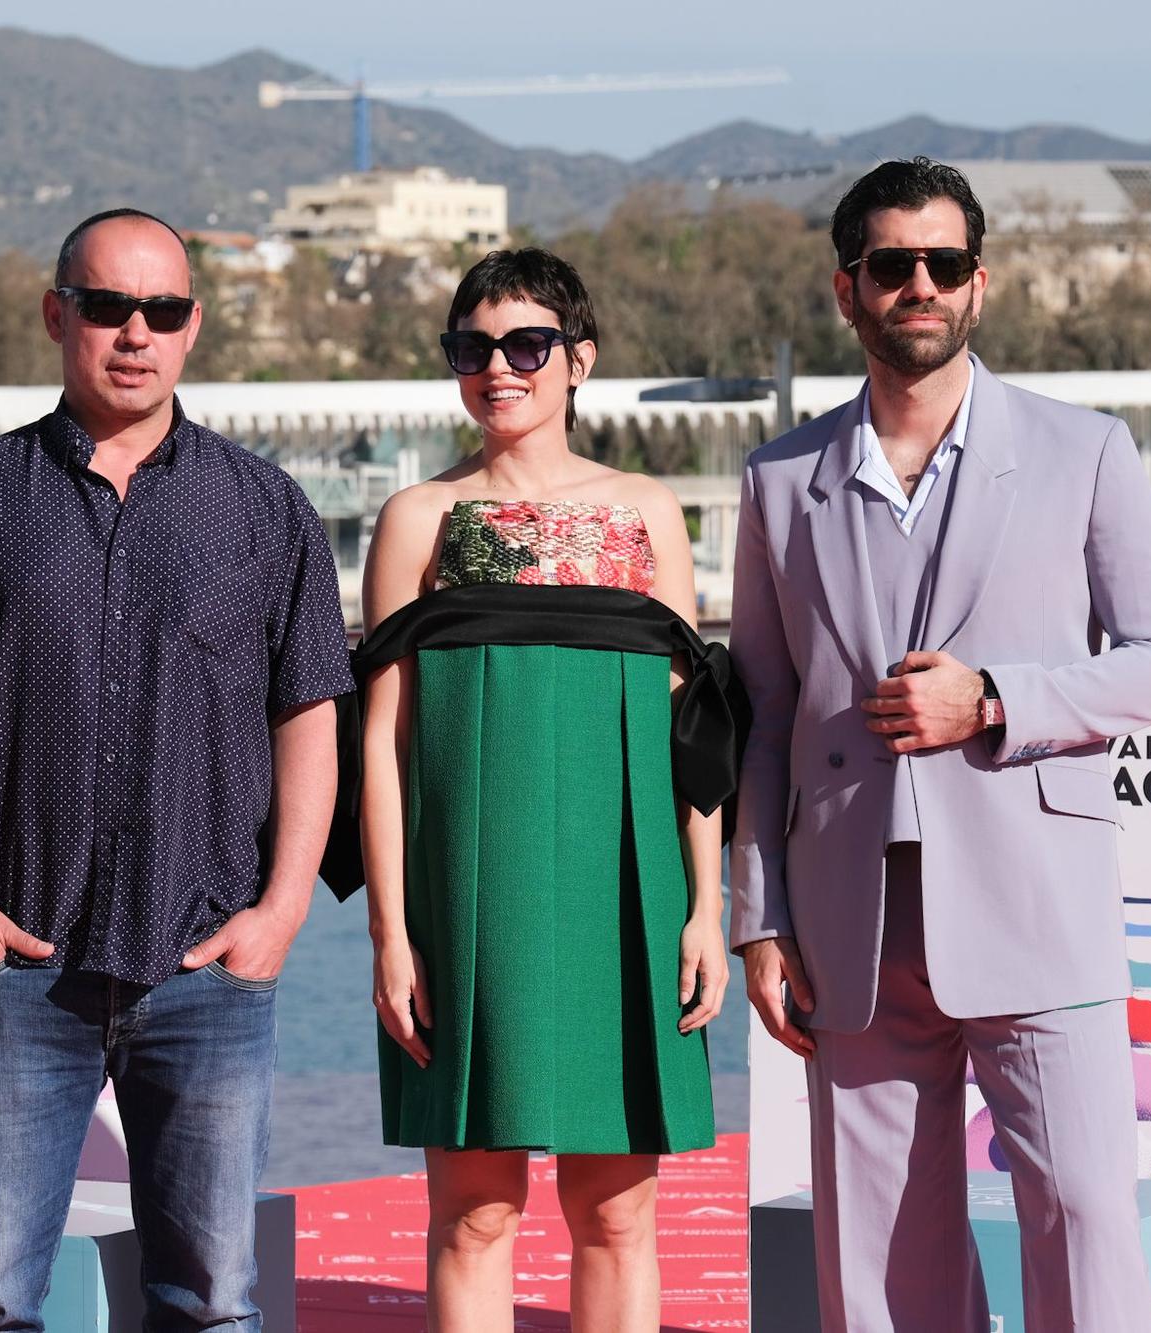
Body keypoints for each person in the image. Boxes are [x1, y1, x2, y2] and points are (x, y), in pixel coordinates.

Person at [729, 157, 1151, 1332]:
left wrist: (993, 698)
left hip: (1036, 901)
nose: (919, 286)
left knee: (1083, 1221)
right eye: (891, 266)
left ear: (977, 284)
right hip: (849, 915)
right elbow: (765, 714)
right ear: (846, 291)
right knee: (878, 1250)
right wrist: (758, 915)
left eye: (942, 264)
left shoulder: (1082, 449)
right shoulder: (779, 479)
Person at [0, 207, 353, 1331]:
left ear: (191, 330)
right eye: (106, 306)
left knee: (213, 1303)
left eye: (163, 310)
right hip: (16, 966)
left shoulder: (267, 510)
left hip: (207, 969)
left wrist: (281, 910)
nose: (134, 332)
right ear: (57, 314)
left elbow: (311, 715)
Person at [346, 247, 745, 1332]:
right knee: (473, 1212)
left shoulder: (646, 511)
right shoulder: (417, 520)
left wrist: (704, 908)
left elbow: (691, 730)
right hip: (467, 898)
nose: (498, 369)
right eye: (471, 348)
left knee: (617, 1210)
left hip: (629, 894)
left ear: (578, 361)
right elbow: (377, 742)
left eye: (525, 345)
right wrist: (389, 933)